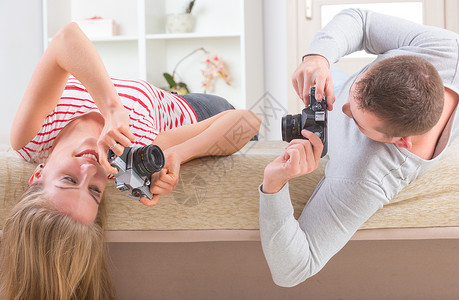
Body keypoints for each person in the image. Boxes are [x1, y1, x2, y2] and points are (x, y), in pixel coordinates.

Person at [0, 22, 261, 299]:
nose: (89, 170)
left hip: (163, 96)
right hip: (200, 112)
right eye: (94, 190)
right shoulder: (128, 158)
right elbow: (248, 122)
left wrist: (112, 109)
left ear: (38, 174)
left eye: (69, 180)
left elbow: (66, 37)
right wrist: (179, 154)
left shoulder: (31, 136)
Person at [259, 8, 459, 287]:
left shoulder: (366, 175)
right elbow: (361, 21)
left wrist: (274, 184)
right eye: (361, 82)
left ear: (399, 141)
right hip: (339, 81)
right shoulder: (444, 49)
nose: (340, 110)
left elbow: (292, 270)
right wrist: (319, 57)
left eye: (355, 118)